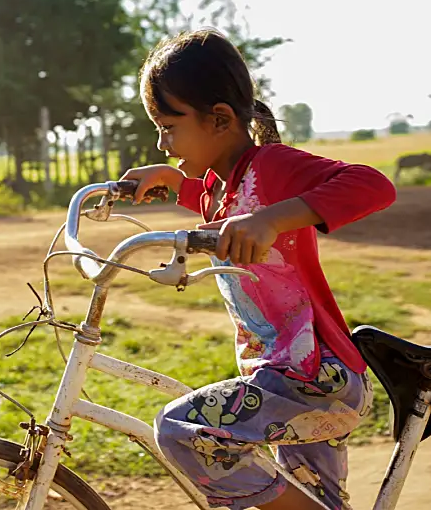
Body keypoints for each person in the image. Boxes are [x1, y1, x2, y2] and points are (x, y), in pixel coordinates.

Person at [121, 29, 396, 510]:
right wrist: (175, 182)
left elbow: (373, 186)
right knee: (318, 500)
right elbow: (226, 211)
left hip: (314, 378)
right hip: (283, 378)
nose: (163, 143)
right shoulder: (215, 188)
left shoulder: (270, 166)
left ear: (220, 119)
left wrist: (272, 219)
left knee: (183, 431)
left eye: (169, 126)